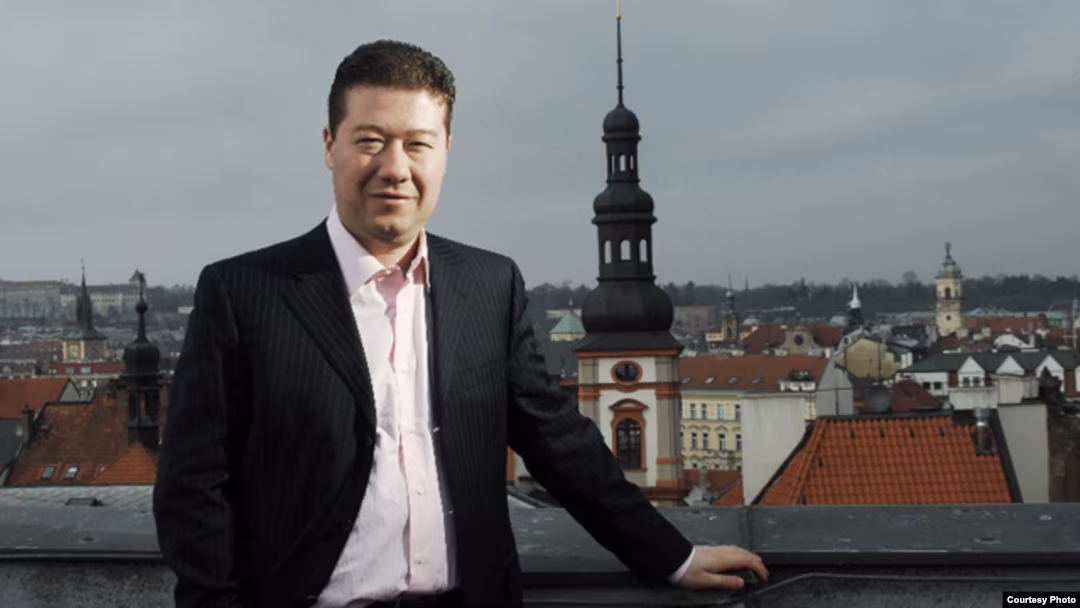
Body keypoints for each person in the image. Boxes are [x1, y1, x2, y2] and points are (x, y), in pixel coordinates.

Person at [153, 40, 767, 608]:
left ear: (446, 149)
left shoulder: (490, 285)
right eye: (370, 140)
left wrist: (672, 556)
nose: (395, 167)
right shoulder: (244, 292)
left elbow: (558, 442)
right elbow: (193, 486)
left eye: (417, 143)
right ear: (329, 145)